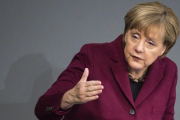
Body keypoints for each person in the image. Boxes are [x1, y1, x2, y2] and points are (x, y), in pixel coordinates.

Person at [35, 1, 179, 120]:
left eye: (150, 43)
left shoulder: (169, 71)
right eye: (135, 36)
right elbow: (42, 109)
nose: (139, 48)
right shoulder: (92, 56)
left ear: (163, 49)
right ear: (125, 34)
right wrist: (69, 98)